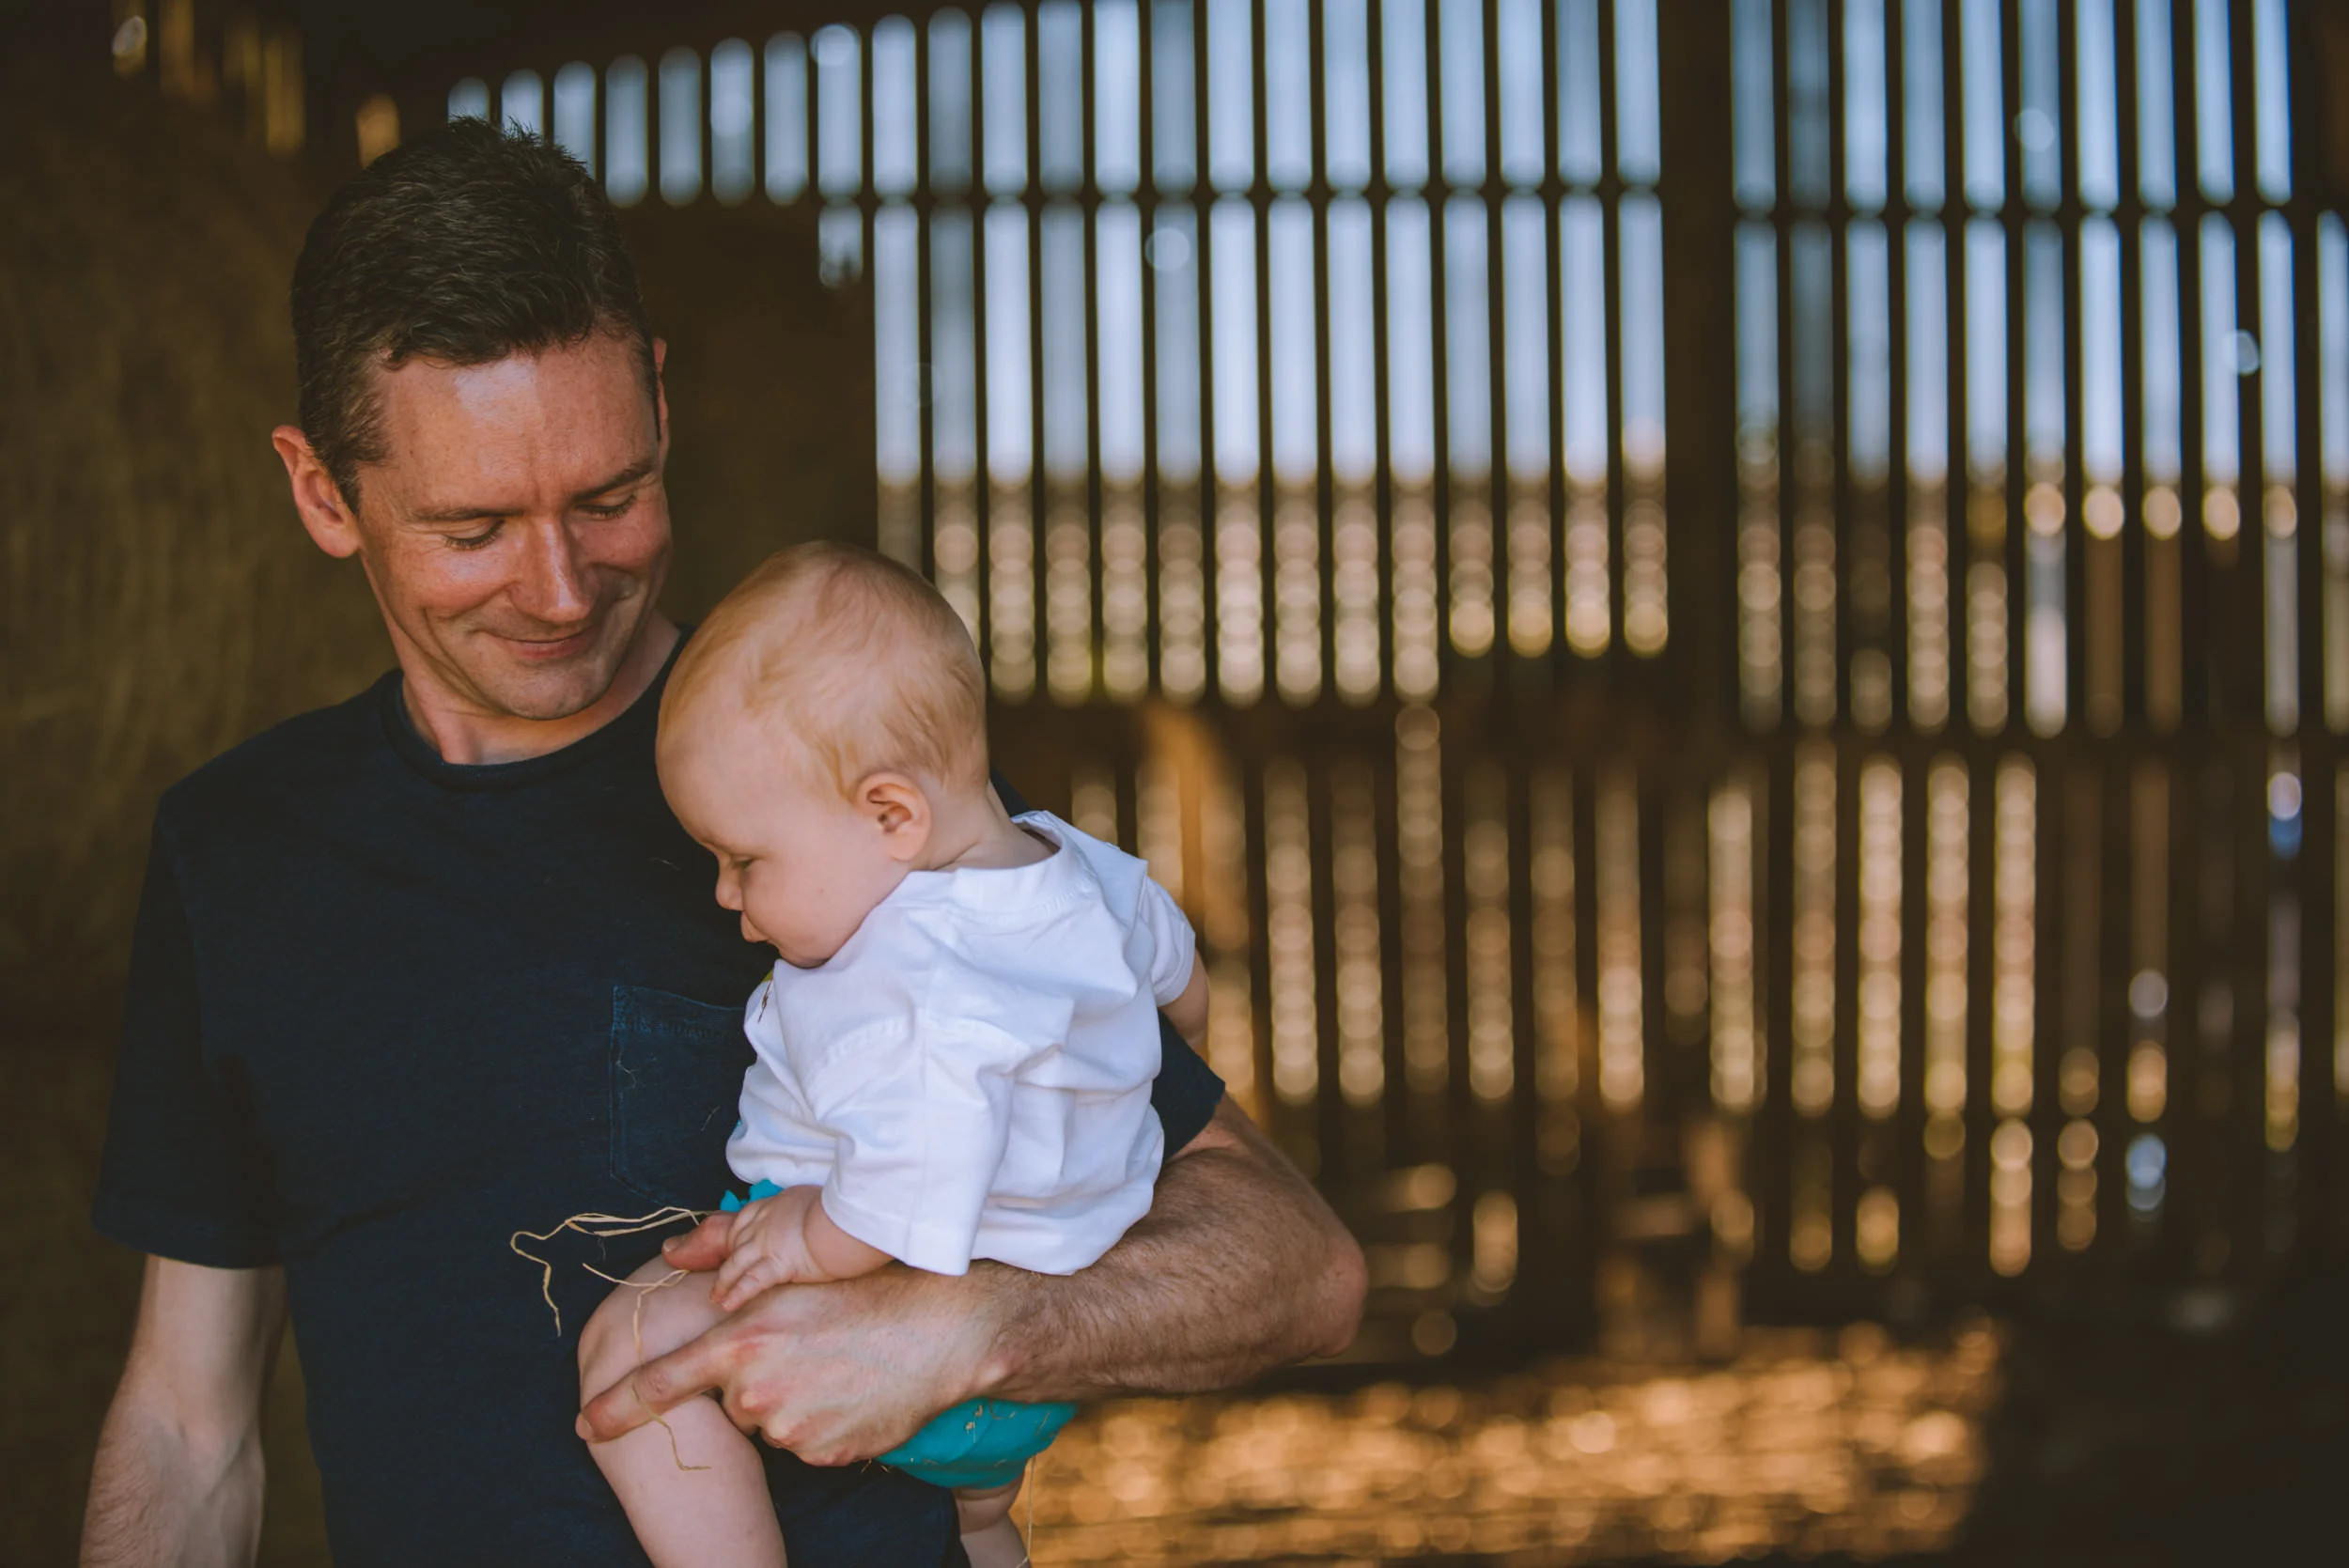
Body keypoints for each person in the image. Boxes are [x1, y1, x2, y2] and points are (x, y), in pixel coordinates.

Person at [81, 120, 1365, 1568]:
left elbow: (1299, 1265)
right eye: (476, 526)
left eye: (610, 498)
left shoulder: (840, 787)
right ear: (324, 492)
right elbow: (187, 1427)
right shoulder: (239, 855)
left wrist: (979, 1327)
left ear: (661, 398)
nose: (562, 590)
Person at [574, 541, 1209, 1568]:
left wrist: (805, 1237)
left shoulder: (909, 990)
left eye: (744, 859)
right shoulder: (1086, 870)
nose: (726, 895)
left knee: (632, 1346)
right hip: (1030, 1368)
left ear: (891, 815)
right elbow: (1183, 985)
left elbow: (917, 1171)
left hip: (902, 1305)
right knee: (977, 1520)